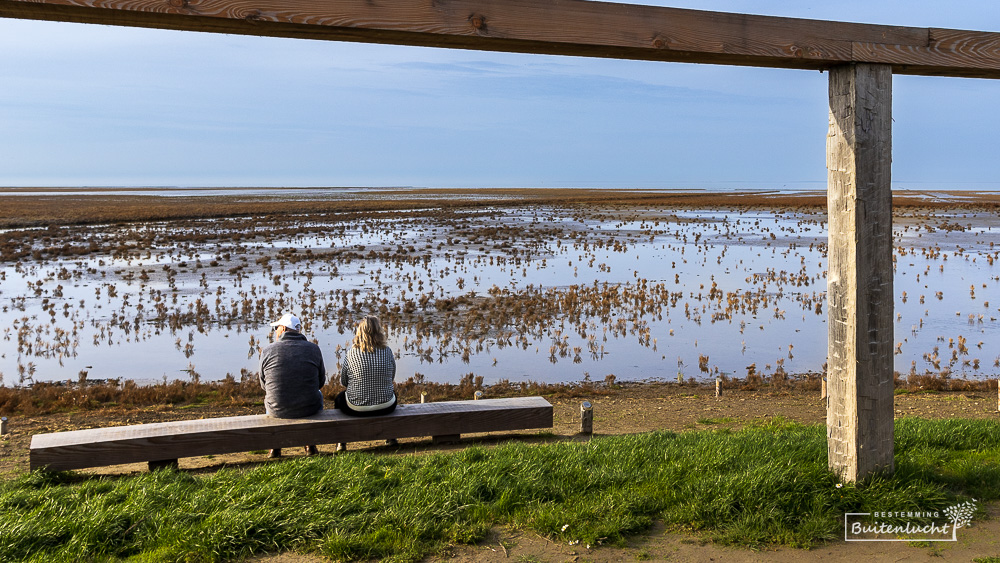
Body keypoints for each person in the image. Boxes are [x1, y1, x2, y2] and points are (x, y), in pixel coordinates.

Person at [259, 312, 326, 458]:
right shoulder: (314, 349)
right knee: (318, 394)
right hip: (309, 408)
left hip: (278, 409)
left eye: (276, 328)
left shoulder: (267, 351)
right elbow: (320, 382)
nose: (275, 332)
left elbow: (264, 385)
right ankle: (310, 445)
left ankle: (275, 447)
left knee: (270, 395)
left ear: (283, 329)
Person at [335, 316, 398, 450]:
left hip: (357, 408)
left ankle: (341, 442)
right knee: (393, 394)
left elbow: (344, 382)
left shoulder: (351, 353)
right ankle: (391, 437)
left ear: (359, 332)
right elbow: (391, 377)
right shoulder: (387, 351)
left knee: (339, 398)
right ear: (379, 331)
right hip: (386, 406)